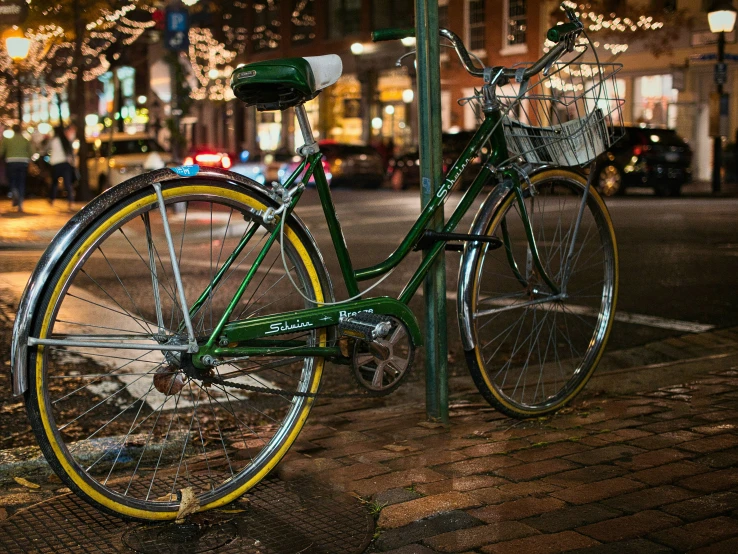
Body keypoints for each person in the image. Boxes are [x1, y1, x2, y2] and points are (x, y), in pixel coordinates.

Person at [0, 124, 33, 213]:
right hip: (23, 162)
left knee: (12, 180)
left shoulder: (7, 140)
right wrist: (29, 159)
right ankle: (20, 204)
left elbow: (1, 151)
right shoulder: (25, 140)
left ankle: (13, 191)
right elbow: (31, 151)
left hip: (11, 161)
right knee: (21, 182)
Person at [49, 126, 75, 208]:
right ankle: (70, 201)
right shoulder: (65, 140)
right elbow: (70, 152)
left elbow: (47, 149)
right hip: (65, 163)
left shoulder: (53, 140)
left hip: (55, 163)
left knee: (54, 182)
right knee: (67, 183)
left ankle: (52, 199)